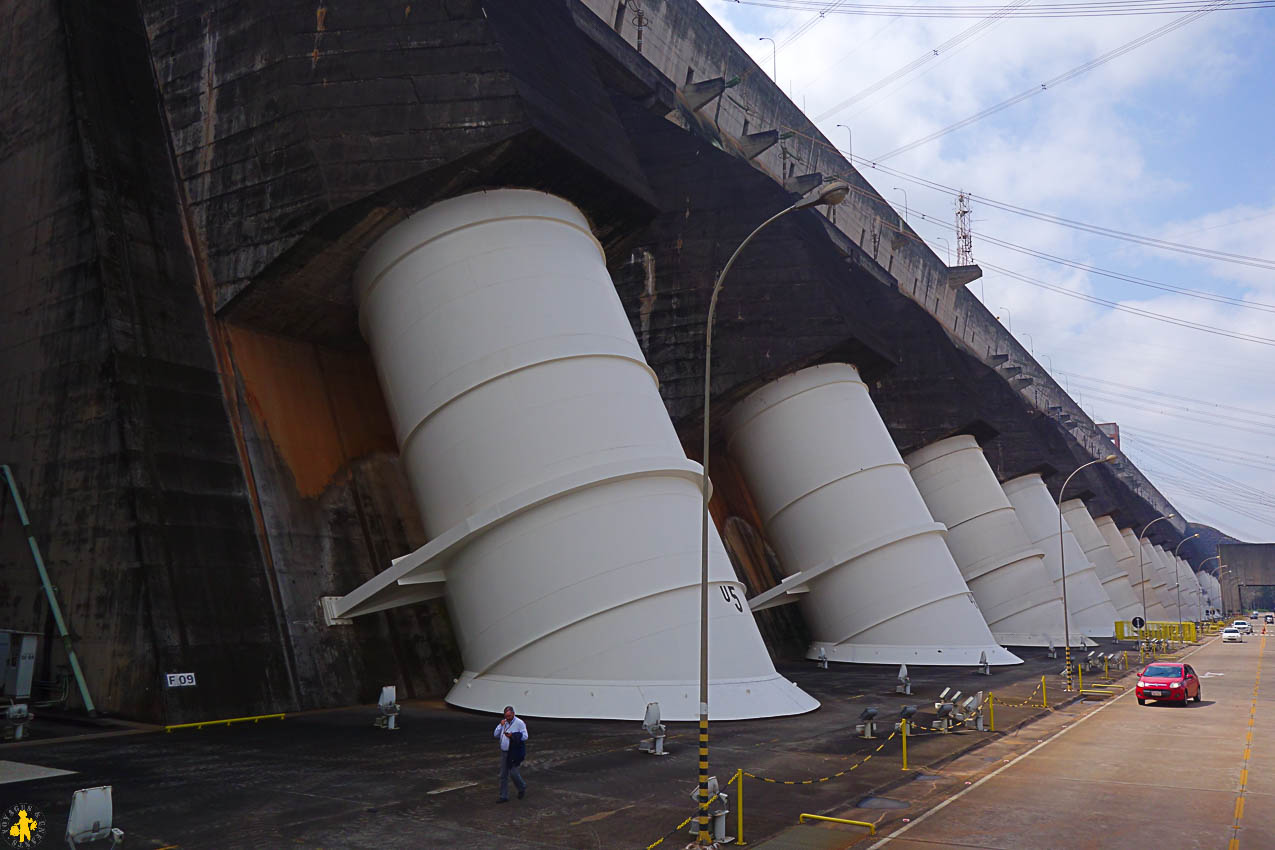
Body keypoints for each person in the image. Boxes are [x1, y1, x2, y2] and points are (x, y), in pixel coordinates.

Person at [494, 705, 528, 802]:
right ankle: (503, 796)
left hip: (514, 752)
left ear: (513, 714)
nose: (507, 718)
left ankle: (522, 786)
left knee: (513, 772)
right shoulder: (503, 722)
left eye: (509, 716)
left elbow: (525, 736)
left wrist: (513, 735)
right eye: (506, 716)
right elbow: (495, 735)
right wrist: (500, 725)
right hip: (504, 752)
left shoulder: (519, 723)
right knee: (503, 775)